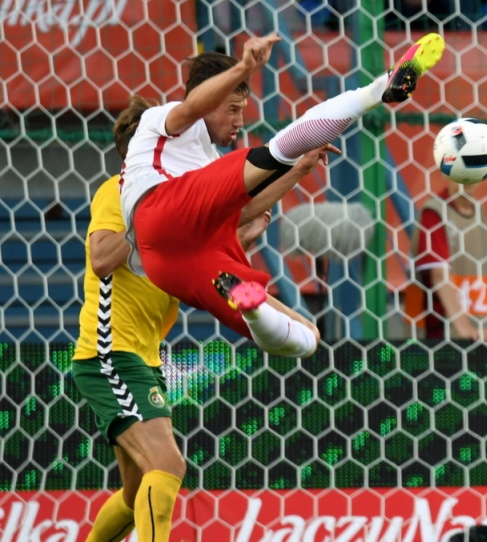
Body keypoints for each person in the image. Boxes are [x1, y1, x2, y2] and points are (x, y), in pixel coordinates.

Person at [116, 32, 445, 358]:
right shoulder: (159, 119)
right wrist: (244, 68)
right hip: (159, 211)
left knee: (307, 335)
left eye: (242, 109)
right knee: (274, 152)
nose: (239, 121)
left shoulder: (208, 164)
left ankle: (251, 308)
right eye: (232, 108)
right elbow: (191, 107)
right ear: (212, 99)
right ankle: (376, 90)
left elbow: (241, 213)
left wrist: (300, 170)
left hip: (178, 260)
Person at [73, 110, 314, 542]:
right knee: (168, 466)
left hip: (141, 358)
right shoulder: (120, 191)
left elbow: (228, 224)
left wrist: (297, 170)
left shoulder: (175, 214)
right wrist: (149, 225)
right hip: (110, 351)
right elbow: (102, 257)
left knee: (134, 493)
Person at [406, 176, 487, 345]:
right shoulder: (434, 212)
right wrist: (466, 330)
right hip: (441, 339)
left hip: (479, 333)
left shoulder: (479, 212)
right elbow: (439, 275)